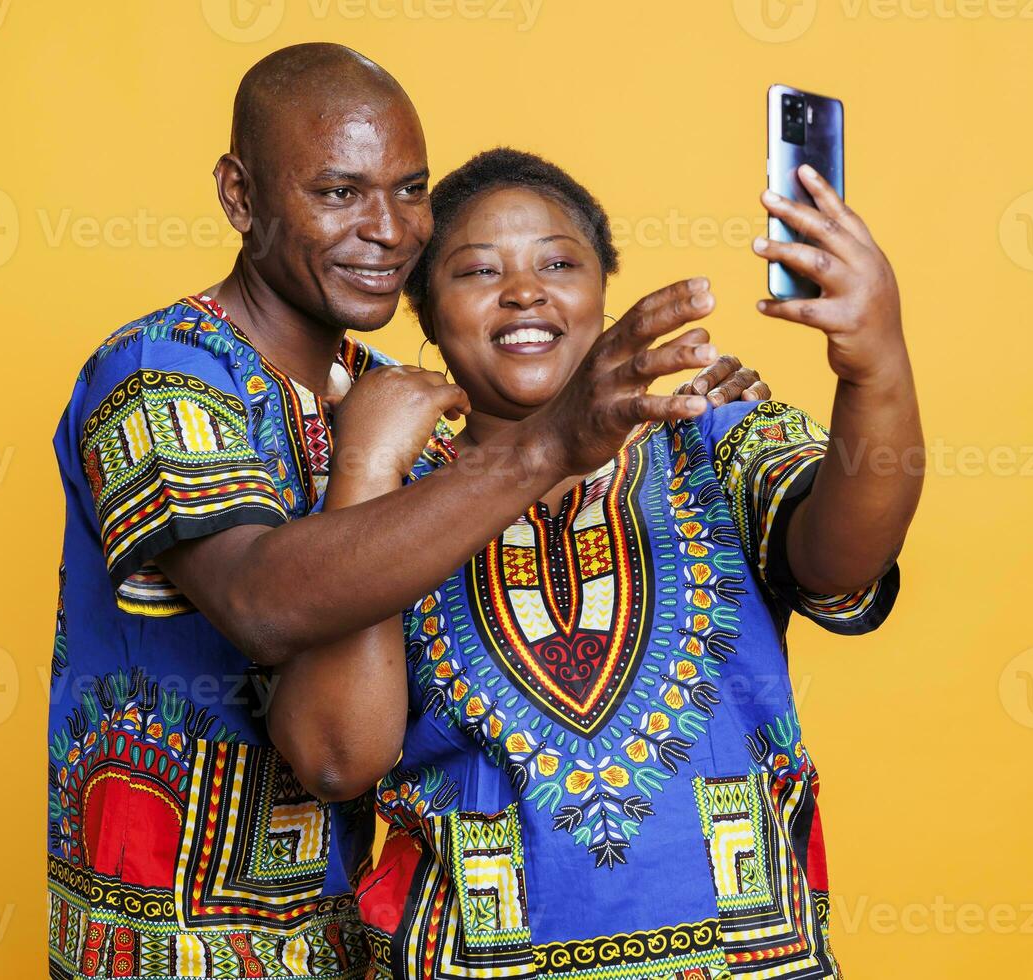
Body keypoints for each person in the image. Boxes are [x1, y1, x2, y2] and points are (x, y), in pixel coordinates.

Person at [46, 45, 767, 980]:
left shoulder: (406, 396)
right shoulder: (158, 376)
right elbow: (264, 602)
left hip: (378, 936)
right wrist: (530, 444)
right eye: (339, 193)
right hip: (178, 939)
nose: (387, 230)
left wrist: (681, 418)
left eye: (411, 190)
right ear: (239, 195)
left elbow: (516, 516)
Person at [272, 148, 923, 980]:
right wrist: (365, 475)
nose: (524, 291)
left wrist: (875, 366)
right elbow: (335, 757)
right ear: (425, 315)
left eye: (558, 263)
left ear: (601, 290)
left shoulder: (711, 440)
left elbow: (844, 559)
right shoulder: (392, 490)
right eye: (478, 271)